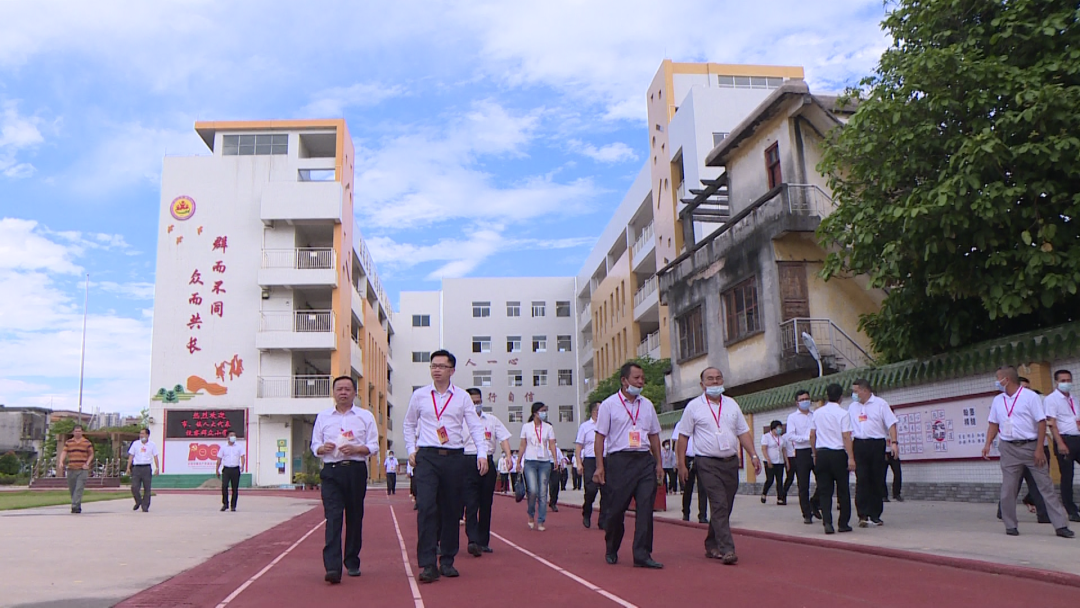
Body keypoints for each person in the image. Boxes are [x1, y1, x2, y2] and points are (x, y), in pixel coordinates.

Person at [404, 349, 489, 584]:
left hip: (454, 458)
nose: (437, 370)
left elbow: (474, 426)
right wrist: (411, 450)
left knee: (452, 510)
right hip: (428, 457)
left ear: (452, 370)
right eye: (433, 366)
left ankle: (448, 560)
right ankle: (428, 563)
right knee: (427, 508)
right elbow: (409, 424)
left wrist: (481, 453)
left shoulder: (461, 397)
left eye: (442, 366)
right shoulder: (420, 396)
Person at [676, 367, 761, 565]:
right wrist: (681, 463)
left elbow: (743, 432)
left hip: (730, 462)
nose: (714, 382)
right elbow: (683, 437)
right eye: (710, 379)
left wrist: (753, 455)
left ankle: (711, 543)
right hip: (706, 462)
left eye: (718, 378)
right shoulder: (694, 407)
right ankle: (727, 549)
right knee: (719, 503)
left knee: (726, 505)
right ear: (702, 384)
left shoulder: (731, 404)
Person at [982, 366, 1074, 538]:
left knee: (1045, 486)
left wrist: (1039, 448)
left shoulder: (1030, 397)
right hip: (1008, 447)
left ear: (1006, 380)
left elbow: (1041, 422)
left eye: (998, 378)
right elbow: (993, 423)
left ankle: (1061, 525)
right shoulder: (998, 400)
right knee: (1008, 488)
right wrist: (988, 443)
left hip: (1031, 446)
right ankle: (1010, 524)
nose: (997, 382)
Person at [593, 362, 665, 569]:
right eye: (636, 378)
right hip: (619, 461)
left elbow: (653, 435)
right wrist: (600, 466)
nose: (641, 381)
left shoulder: (647, 405)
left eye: (642, 378)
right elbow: (600, 438)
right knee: (616, 510)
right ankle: (612, 546)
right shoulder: (609, 405)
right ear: (624, 381)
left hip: (643, 460)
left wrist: (658, 462)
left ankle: (642, 554)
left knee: (645, 508)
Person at [310, 376, 379, 584]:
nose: (343, 392)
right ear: (333, 392)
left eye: (347, 389)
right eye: (339, 389)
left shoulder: (365, 417)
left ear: (354, 393)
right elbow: (315, 446)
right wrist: (323, 449)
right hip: (331, 471)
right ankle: (332, 566)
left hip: (355, 470)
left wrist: (357, 449)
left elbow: (374, 445)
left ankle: (352, 560)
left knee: (355, 516)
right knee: (333, 517)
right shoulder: (323, 417)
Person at [462, 388, 512, 556]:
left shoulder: (491, 420)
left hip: (488, 463)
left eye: (478, 401)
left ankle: (483, 541)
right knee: (470, 503)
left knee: (486, 503)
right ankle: (473, 540)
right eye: (473, 402)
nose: (476, 405)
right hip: (468, 461)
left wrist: (509, 456)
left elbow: (503, 438)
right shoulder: (460, 421)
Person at [849, 379, 898, 527]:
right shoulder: (852, 407)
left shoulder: (880, 404)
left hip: (876, 444)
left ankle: (876, 514)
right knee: (862, 479)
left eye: (856, 391)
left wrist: (894, 443)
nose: (854, 394)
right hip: (859, 444)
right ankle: (862, 514)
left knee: (877, 478)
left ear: (865, 390)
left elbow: (891, 424)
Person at [810, 384, 855, 534]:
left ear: (827, 395)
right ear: (841, 397)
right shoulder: (843, 413)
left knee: (824, 491)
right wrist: (851, 457)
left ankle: (827, 522)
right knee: (843, 490)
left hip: (822, 453)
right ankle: (843, 523)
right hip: (838, 454)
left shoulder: (817, 413)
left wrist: (815, 453)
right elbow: (846, 436)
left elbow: (812, 435)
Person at [517, 402, 559, 531]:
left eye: (545, 410)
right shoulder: (526, 427)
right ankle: (530, 514)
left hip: (545, 462)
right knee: (533, 490)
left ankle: (541, 520)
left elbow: (551, 444)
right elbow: (523, 445)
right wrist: (518, 461)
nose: (544, 413)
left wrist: (555, 459)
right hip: (530, 461)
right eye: (542, 410)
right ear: (535, 413)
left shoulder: (548, 428)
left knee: (542, 492)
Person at [1045, 370, 1080, 522]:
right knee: (1067, 476)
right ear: (1056, 382)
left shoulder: (1074, 398)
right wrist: (1059, 443)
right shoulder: (1051, 399)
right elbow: (1051, 423)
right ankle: (1071, 510)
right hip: (1064, 439)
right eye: (1063, 380)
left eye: (1068, 380)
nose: (1067, 383)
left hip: (1077, 437)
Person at [787, 390, 821, 524]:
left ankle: (815, 502)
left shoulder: (815, 415)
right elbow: (790, 435)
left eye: (807, 398)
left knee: (823, 480)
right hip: (801, 452)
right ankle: (807, 513)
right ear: (797, 402)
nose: (805, 401)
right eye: (802, 400)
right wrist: (807, 438)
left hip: (816, 450)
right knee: (803, 484)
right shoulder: (792, 417)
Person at [575, 401, 603, 529]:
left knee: (607, 491)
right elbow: (579, 446)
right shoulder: (585, 427)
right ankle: (587, 512)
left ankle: (603, 519)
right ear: (594, 412)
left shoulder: (608, 425)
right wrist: (579, 463)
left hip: (605, 459)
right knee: (591, 490)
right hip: (591, 460)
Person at [57, 425, 94, 514]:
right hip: (71, 468)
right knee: (73, 489)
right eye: (76, 431)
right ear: (73, 432)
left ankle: (74, 506)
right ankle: (77, 505)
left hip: (82, 469)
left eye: (79, 431)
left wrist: (87, 463)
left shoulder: (86, 442)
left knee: (79, 488)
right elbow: (64, 452)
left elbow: (91, 454)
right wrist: (61, 461)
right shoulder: (69, 442)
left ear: (82, 432)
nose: (78, 433)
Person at [125, 428, 159, 513]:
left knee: (147, 488)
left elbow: (155, 456)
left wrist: (157, 468)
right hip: (137, 467)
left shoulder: (152, 445)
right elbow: (131, 456)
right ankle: (138, 501)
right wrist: (128, 467)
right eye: (140, 434)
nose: (141, 435)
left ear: (147, 435)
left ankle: (145, 506)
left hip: (146, 467)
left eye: (143, 434)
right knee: (134, 487)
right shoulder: (135, 444)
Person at [681, 433, 709, 523]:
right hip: (688, 457)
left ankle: (702, 514)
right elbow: (678, 443)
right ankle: (686, 512)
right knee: (688, 488)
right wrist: (680, 462)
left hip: (701, 457)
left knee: (703, 488)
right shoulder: (682, 424)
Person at [215, 429, 245, 512]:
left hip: (235, 469)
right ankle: (225, 504)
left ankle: (233, 506)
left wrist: (242, 465)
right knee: (224, 486)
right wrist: (217, 469)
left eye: (234, 435)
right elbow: (219, 459)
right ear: (227, 437)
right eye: (231, 435)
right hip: (226, 469)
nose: (233, 437)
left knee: (235, 488)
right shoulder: (223, 447)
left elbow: (242, 456)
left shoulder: (239, 447)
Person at [760, 421, 786, 505]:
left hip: (780, 461)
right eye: (778, 428)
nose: (779, 430)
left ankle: (780, 498)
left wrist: (787, 462)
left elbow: (784, 450)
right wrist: (768, 460)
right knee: (770, 479)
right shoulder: (766, 437)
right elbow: (764, 449)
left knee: (779, 480)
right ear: (773, 428)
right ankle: (764, 493)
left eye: (780, 428)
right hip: (770, 461)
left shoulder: (781, 438)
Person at [781, 427, 796, 499]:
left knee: (801, 478)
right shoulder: (785, 437)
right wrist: (786, 461)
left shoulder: (798, 435)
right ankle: (783, 495)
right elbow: (784, 450)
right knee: (790, 478)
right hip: (790, 458)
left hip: (799, 457)